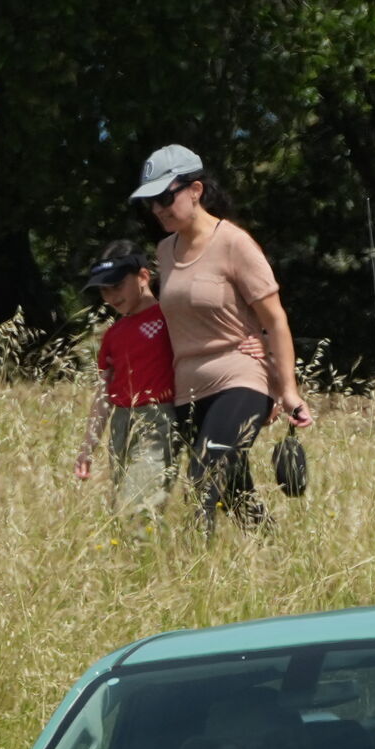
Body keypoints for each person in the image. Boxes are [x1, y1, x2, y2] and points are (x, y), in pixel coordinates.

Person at [129, 143, 308, 522]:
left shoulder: (234, 243)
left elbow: (275, 320)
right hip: (187, 388)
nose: (158, 208)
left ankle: (190, 574)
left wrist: (287, 391)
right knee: (234, 492)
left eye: (164, 197)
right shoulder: (163, 250)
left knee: (204, 476)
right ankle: (270, 557)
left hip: (240, 379)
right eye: (151, 201)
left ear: (195, 190)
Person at [70, 242, 174, 498]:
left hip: (158, 418)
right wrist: (88, 447)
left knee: (141, 501)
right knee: (122, 501)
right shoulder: (114, 334)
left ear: (143, 276)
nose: (111, 297)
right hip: (121, 421)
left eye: (117, 286)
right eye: (104, 291)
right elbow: (104, 392)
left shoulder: (170, 317)